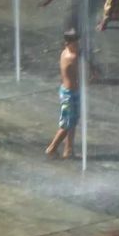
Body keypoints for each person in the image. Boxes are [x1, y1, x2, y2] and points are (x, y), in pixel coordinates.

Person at [45, 29, 80, 159]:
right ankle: (52, 148)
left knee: (73, 121)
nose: (77, 46)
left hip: (69, 92)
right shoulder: (72, 57)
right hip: (69, 94)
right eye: (75, 43)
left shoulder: (65, 52)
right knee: (66, 124)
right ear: (67, 43)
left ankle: (68, 149)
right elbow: (81, 72)